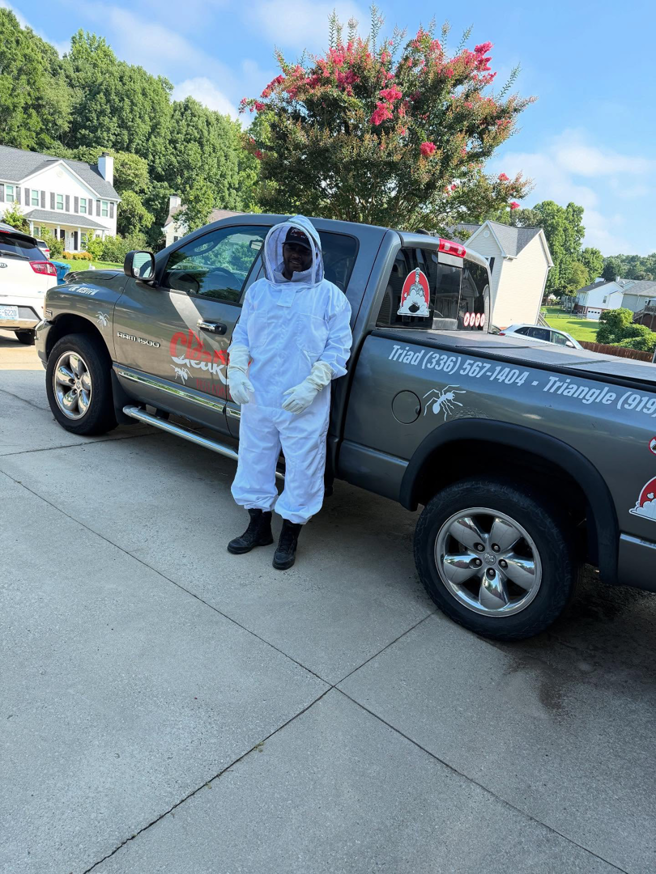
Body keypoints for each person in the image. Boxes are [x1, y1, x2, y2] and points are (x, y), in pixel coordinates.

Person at [226, 216, 353, 569]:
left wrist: (313, 384)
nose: (294, 255)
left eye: (301, 249)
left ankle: (290, 537)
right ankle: (258, 528)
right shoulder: (259, 292)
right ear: (279, 250)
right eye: (289, 248)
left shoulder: (330, 298)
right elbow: (242, 337)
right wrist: (236, 371)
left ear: (314, 253)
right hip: (259, 396)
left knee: (303, 469)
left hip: (304, 404)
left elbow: (338, 349)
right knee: (254, 460)